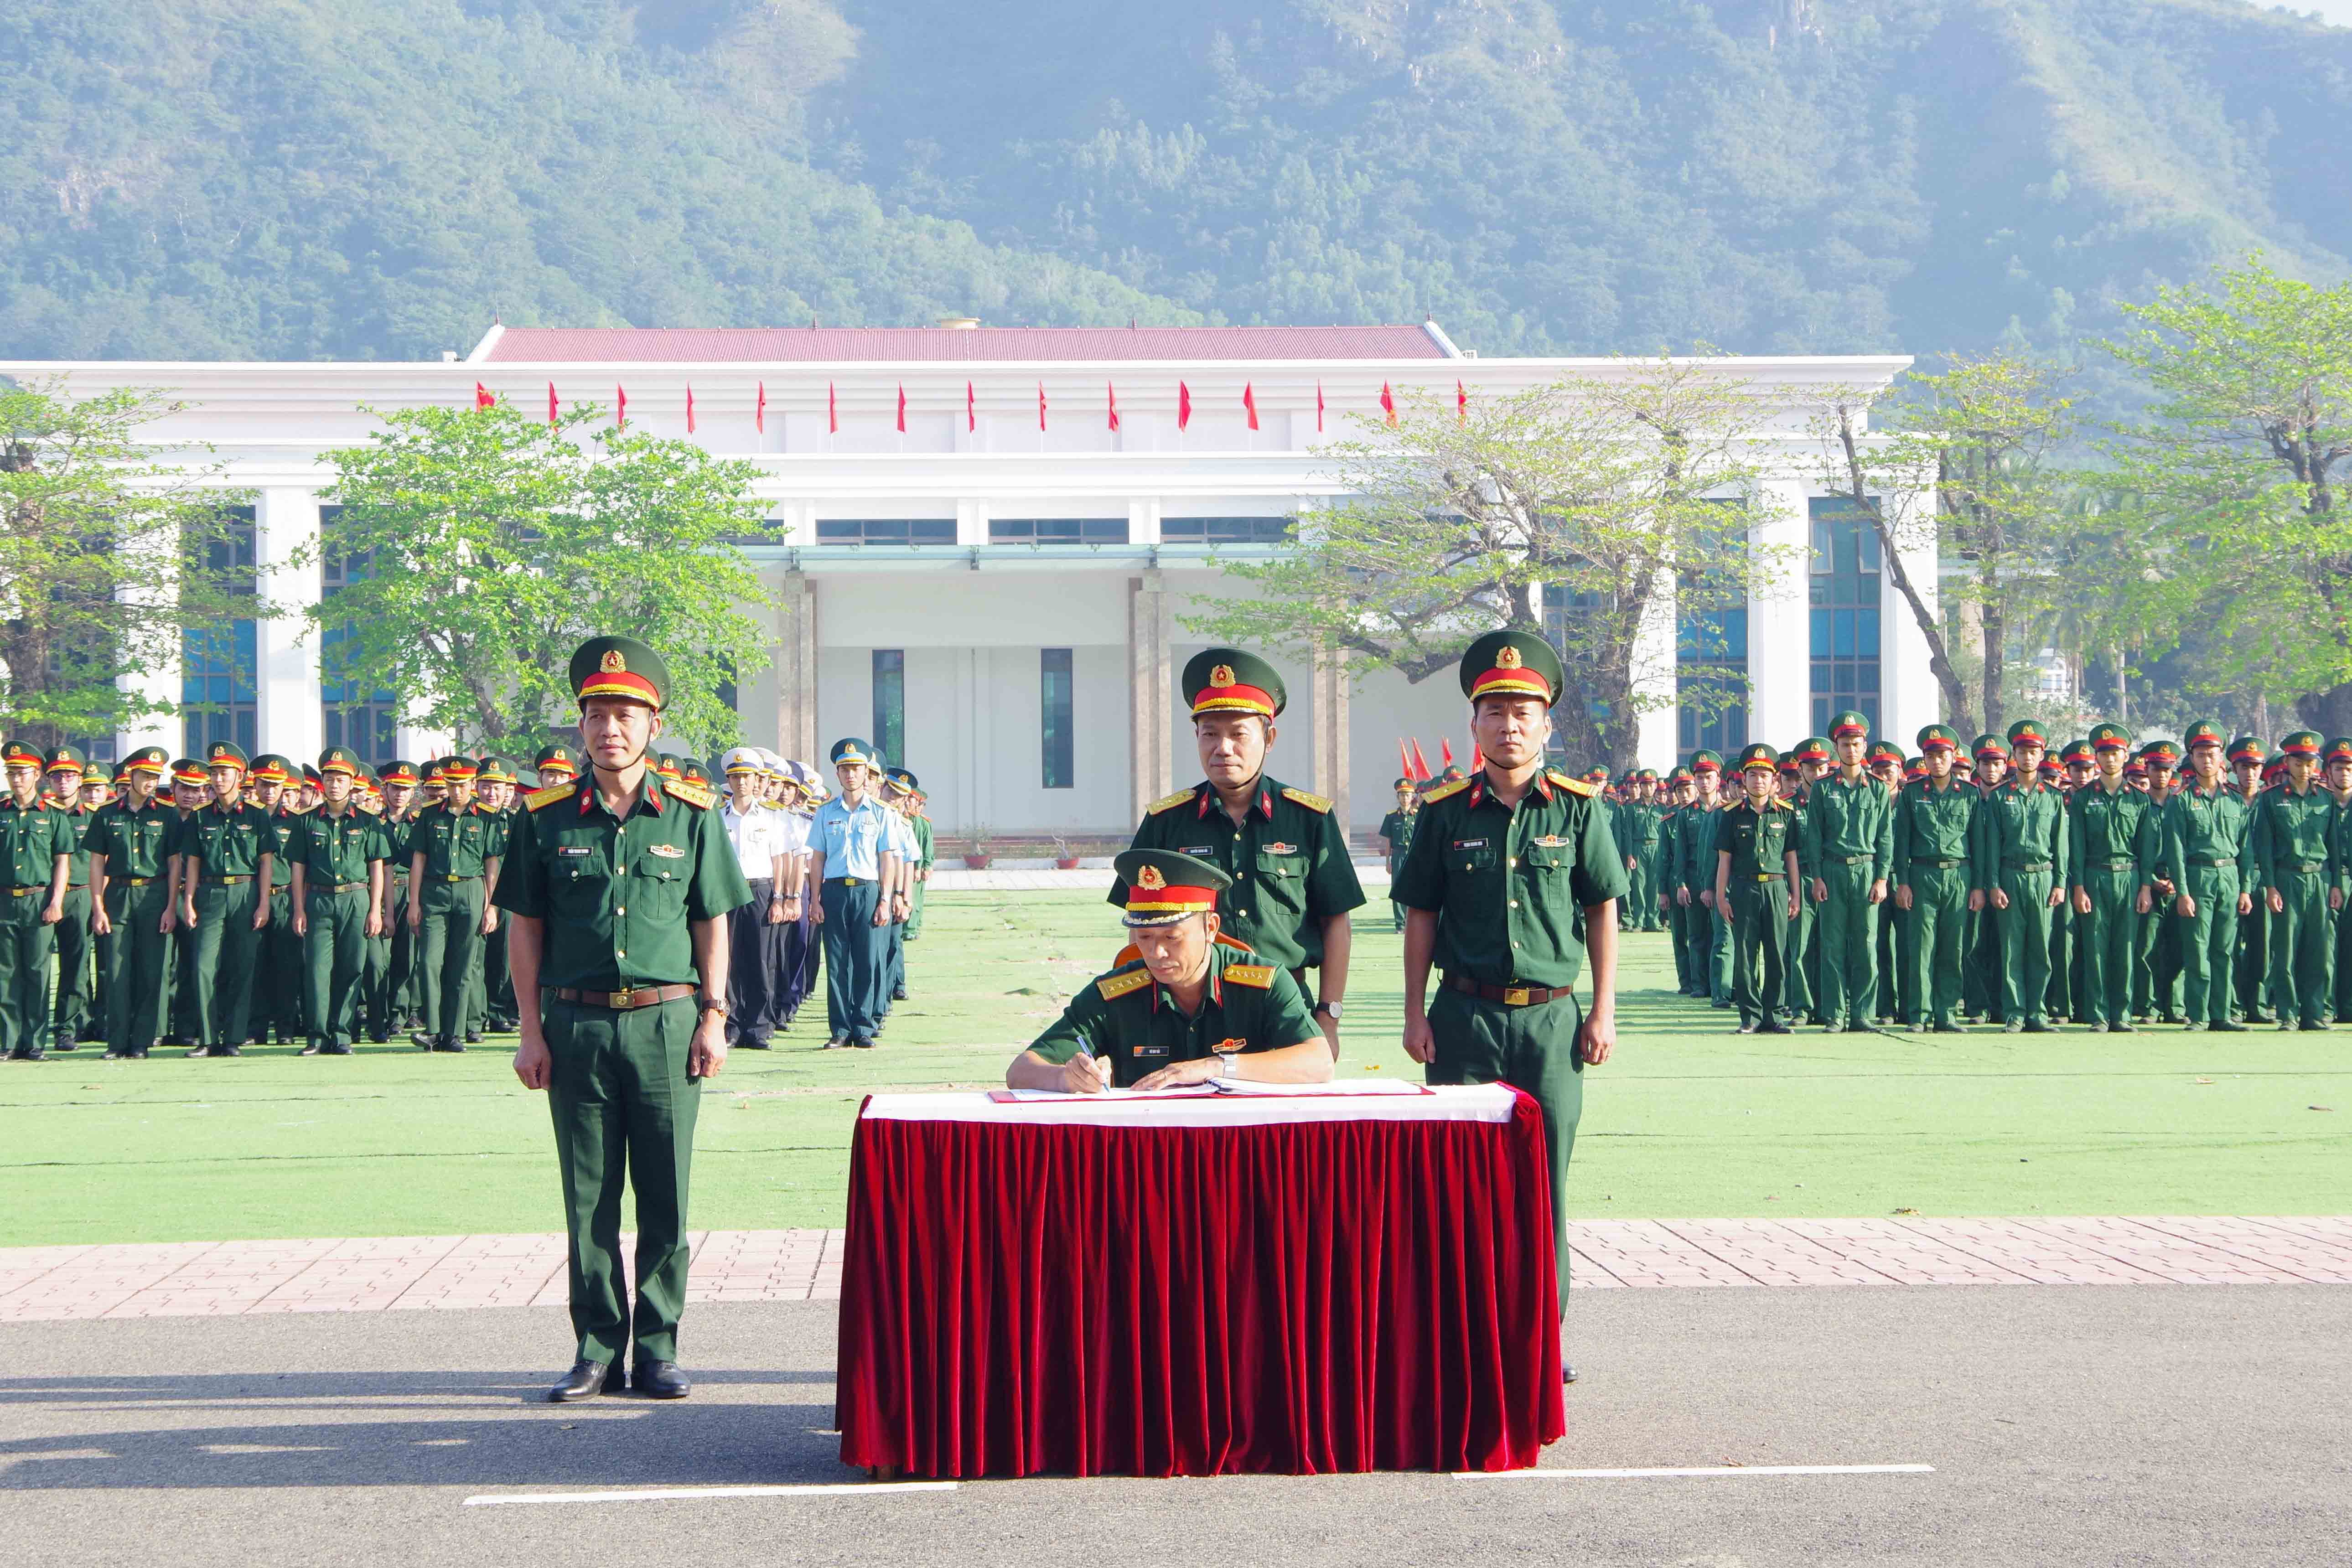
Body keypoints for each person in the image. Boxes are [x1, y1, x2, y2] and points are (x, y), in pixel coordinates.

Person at [498, 635, 752, 1404]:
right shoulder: (543, 819)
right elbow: (525, 929)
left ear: (653, 725)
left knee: (666, 1194)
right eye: (598, 713)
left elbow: (712, 919)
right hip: (575, 1026)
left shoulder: (691, 813)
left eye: (626, 714)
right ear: (581, 725)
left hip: (666, 1022)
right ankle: (595, 1348)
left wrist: (714, 1014)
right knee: (588, 1198)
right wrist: (529, 1030)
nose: (611, 727)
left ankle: (659, 1347)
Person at [1392, 629, 1626, 1383]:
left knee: (1542, 1182)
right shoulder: (1443, 811)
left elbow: (1601, 908)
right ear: (1474, 723)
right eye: (1493, 710)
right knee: (1460, 1184)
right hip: (1461, 1018)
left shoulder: (1580, 810)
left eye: (1522, 710)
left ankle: (1539, 1338)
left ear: (1545, 723)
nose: (1508, 724)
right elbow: (1420, 914)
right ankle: (1462, 1335)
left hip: (1553, 1021)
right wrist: (1412, 1011)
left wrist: (1603, 1010)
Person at [1115, 648, 1365, 1056]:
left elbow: (1337, 921)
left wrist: (1327, 1016)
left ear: (1269, 738)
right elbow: (1141, 923)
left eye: (1238, 734)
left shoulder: (1310, 819)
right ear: (1196, 736)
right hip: (1194, 1008)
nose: (1223, 748)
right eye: (1210, 733)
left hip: (1285, 1007)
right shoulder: (1165, 821)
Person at [1009, 849, 1333, 1091]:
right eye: (1145, 937)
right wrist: (1066, 1078)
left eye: (1172, 937)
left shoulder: (1264, 983)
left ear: (1210, 927)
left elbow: (1319, 1061)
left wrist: (1215, 1067)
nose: (1156, 952)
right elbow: (1020, 1069)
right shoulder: (1115, 995)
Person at [171, 741, 276, 1058]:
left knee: (241, 967)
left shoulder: (257, 816)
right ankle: (207, 1037)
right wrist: (188, 900)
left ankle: (234, 1036)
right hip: (210, 893)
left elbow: (266, 861)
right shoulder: (201, 817)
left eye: (224, 773)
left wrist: (264, 902)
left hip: (246, 892)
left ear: (240, 776)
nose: (218, 779)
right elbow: (193, 862)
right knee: (204, 967)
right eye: (214, 773)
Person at [284, 746, 389, 1056]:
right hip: (318, 899)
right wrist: (299, 908)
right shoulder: (306, 821)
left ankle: (342, 1034)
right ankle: (317, 1036)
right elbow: (298, 867)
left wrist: (375, 909)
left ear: (352, 783)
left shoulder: (369, 822)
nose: (334, 784)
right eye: (329, 778)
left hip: (356, 898)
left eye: (340, 779)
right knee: (317, 969)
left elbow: (377, 867)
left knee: (352, 967)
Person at [1974, 719, 2068, 1034]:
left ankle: (2037, 1012)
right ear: (2013, 754)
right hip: (2011, 877)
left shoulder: (2053, 797)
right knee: (2012, 948)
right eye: (2022, 751)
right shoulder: (2001, 797)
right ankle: (2015, 1013)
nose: (2028, 757)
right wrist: (1994, 884)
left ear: (2042, 755)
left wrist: (2060, 882)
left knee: (2040, 949)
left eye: (2034, 751)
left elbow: (2060, 845)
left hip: (2043, 877)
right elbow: (1991, 846)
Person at [806, 738, 901, 1050]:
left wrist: (886, 899)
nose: (851, 774)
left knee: (867, 960)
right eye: (845, 769)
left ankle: (863, 1026)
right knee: (836, 963)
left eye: (856, 768)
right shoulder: (825, 812)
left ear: (866, 772)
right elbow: (817, 858)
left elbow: (886, 858)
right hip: (834, 891)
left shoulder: (881, 813)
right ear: (838, 773)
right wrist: (815, 899)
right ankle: (840, 1028)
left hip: (867, 891)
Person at [406, 756, 503, 1053]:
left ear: (472, 784)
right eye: (452, 784)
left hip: (471, 890)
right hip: (435, 892)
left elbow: (491, 864)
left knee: (463, 966)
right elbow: (418, 860)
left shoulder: (485, 816)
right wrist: (413, 902)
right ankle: (433, 1029)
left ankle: (455, 1032)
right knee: (429, 962)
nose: (457, 789)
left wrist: (491, 907)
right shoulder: (430, 815)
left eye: (462, 784)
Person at [2160, 722, 2251, 1032]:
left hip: (2229, 876)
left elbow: (2246, 850)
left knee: (2224, 949)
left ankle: (2221, 1014)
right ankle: (2198, 1014)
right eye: (2200, 754)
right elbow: (2175, 850)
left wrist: (2246, 889)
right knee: (2197, 948)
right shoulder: (2181, 799)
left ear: (2222, 757)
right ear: (2192, 759)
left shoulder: (2236, 800)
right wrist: (2182, 892)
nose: (2207, 760)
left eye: (2212, 754)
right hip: (2197, 876)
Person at [1804, 712, 1892, 1032]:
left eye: (1856, 744)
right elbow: (1814, 836)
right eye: (1845, 744)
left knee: (1867, 946)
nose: (1851, 750)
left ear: (1865, 746)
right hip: (1833, 870)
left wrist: (1882, 878)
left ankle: (1862, 1013)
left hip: (1867, 871)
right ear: (1836, 749)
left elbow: (1885, 836)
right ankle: (1835, 1014)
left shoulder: (1879, 788)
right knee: (1832, 945)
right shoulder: (1824, 788)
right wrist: (1817, 877)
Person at [86, 747, 174, 1059]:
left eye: (155, 777)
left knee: (152, 971)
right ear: (131, 776)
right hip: (119, 896)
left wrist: (171, 905)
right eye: (145, 776)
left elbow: (174, 862)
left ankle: (142, 1041)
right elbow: (97, 863)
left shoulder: (167, 813)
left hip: (155, 895)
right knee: (117, 970)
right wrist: (98, 906)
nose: (150, 782)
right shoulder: (107, 814)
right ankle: (118, 1040)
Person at [2065, 724, 2150, 1034]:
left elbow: (2146, 848)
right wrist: (2078, 887)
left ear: (2126, 756)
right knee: (2096, 948)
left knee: (2126, 949)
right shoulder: (2084, 798)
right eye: (2104, 753)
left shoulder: (2139, 800)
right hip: (2094, 876)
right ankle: (2098, 1014)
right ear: (2097, 757)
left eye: (2115, 753)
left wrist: (2145, 887)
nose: (2110, 759)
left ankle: (2122, 1013)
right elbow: (2076, 846)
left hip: (2129, 877)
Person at [1891, 725, 1975, 1033]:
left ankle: (1947, 1013)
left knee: (1953, 948)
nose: (1937, 761)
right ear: (1924, 759)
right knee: (1921, 947)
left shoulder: (1969, 794)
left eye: (1943, 755)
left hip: (1959, 874)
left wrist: (1978, 885)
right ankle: (1919, 1013)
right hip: (1922, 873)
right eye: (1931, 755)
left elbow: (1978, 842)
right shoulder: (1912, 794)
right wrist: (1903, 881)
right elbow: (1901, 842)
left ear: (1954, 756)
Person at [1713, 743, 1799, 1033]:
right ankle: (1750, 1016)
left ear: (1774, 780)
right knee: (1746, 955)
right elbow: (1724, 860)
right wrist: (1722, 898)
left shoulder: (1785, 814)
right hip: (1743, 890)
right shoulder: (1731, 815)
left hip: (1776, 889)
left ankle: (1774, 1015)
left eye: (1764, 775)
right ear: (1744, 780)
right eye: (1752, 775)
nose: (1758, 780)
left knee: (1776, 953)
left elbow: (1792, 858)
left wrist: (1796, 895)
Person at [2252, 731, 2333, 1031]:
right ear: (2287, 762)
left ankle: (2313, 1013)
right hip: (2286, 878)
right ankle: (2287, 1012)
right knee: (2285, 948)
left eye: (2310, 763)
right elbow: (2265, 847)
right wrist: (2270, 886)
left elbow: (2334, 846)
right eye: (2299, 762)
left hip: (2320, 879)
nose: (2305, 769)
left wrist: (2336, 883)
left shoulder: (2325, 799)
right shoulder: (2271, 800)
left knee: (2318, 949)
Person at [0, 740, 76, 1060]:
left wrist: (56, 900)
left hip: (38, 900)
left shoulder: (53, 815)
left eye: (22, 773)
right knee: (6, 973)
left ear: (37, 775)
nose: (16, 779)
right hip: (5, 900)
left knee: (38, 970)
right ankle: (8, 1040)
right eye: (11, 772)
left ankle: (34, 1042)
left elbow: (62, 860)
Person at [719, 745, 796, 1049]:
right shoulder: (719, 816)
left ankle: (760, 1026)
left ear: (756, 780)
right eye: (736, 776)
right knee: (729, 961)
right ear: (728, 779)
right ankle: (732, 1026)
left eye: (747, 777)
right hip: (727, 890)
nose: (741, 782)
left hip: (760, 890)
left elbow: (780, 859)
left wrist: (780, 897)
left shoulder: (770, 817)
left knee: (760, 960)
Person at [41, 745, 98, 1052]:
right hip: (41, 896)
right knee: (38, 967)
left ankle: (67, 1028)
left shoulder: (93, 817)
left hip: (80, 895)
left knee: (76, 966)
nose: (64, 782)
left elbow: (104, 862)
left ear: (80, 781)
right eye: (57, 776)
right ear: (49, 781)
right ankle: (32, 1028)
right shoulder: (41, 814)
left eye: (70, 776)